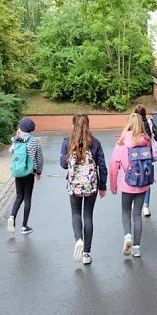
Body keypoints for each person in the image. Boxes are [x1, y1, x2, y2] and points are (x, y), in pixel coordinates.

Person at [60, 114, 108, 265]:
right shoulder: (95, 143)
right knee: (88, 216)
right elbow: (102, 166)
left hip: (74, 185)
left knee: (75, 213)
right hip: (91, 185)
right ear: (88, 125)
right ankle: (86, 253)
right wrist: (103, 186)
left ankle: (78, 239)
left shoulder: (67, 142)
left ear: (73, 125)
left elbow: (63, 164)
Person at [110, 113, 153, 257]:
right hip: (143, 183)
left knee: (126, 211)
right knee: (137, 214)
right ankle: (136, 248)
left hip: (127, 183)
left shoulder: (122, 142)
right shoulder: (146, 141)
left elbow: (114, 166)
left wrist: (113, 185)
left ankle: (128, 235)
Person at [6, 117, 44, 235]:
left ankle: (12, 216)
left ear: (21, 128)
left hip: (18, 171)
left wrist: (16, 137)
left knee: (19, 196)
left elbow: (10, 151)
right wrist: (38, 172)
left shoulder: (17, 139)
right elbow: (39, 158)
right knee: (27, 198)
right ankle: (24, 226)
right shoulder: (34, 141)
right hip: (29, 172)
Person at [133, 104, 157, 217]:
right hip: (147, 155)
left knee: (135, 177)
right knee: (147, 180)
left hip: (134, 155)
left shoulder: (132, 124)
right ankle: (145, 206)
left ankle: (135, 203)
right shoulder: (149, 122)